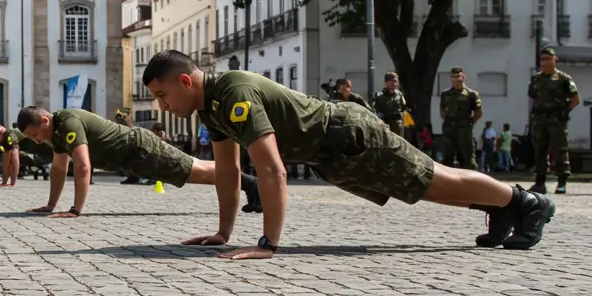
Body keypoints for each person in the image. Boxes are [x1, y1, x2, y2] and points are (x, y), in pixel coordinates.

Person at [141, 50, 554, 256]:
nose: (162, 105)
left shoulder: (234, 93)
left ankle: (527, 203)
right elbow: (229, 172)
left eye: (162, 95)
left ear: (185, 81)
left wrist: (268, 243)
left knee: (434, 179)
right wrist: (223, 234)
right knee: (424, 189)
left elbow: (272, 170)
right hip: (335, 153)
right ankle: (502, 207)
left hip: (350, 135)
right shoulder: (211, 106)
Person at [14, 106, 262, 217]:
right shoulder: (56, 135)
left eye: (35, 135)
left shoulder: (68, 122)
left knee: (194, 171)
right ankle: (251, 184)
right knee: (194, 168)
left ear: (45, 120)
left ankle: (253, 184)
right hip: (133, 158)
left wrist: (75, 210)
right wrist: (50, 205)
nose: (36, 141)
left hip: (139, 148)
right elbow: (59, 169)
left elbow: (82, 166)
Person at [527, 47, 579, 194]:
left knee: (560, 150)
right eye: (542, 59)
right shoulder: (536, 79)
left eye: (548, 59)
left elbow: (575, 100)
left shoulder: (564, 79)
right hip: (539, 119)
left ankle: (561, 182)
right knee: (539, 150)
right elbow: (532, 97)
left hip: (556, 120)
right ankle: (540, 182)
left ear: (555, 60)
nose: (545, 62)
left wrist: (564, 112)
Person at [439, 67, 482, 169]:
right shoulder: (445, 94)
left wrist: (470, 122)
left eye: (458, 76)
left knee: (467, 157)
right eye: (454, 77)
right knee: (447, 157)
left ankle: (469, 177)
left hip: (464, 129)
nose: (456, 79)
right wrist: (449, 121)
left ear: (463, 77)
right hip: (449, 129)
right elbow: (442, 110)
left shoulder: (471, 94)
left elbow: (478, 112)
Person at [373, 72, 409, 140]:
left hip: (398, 126)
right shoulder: (380, 97)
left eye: (397, 81)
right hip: (386, 125)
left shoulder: (399, 95)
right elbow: (376, 112)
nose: (396, 84)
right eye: (393, 81)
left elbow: (404, 109)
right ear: (387, 83)